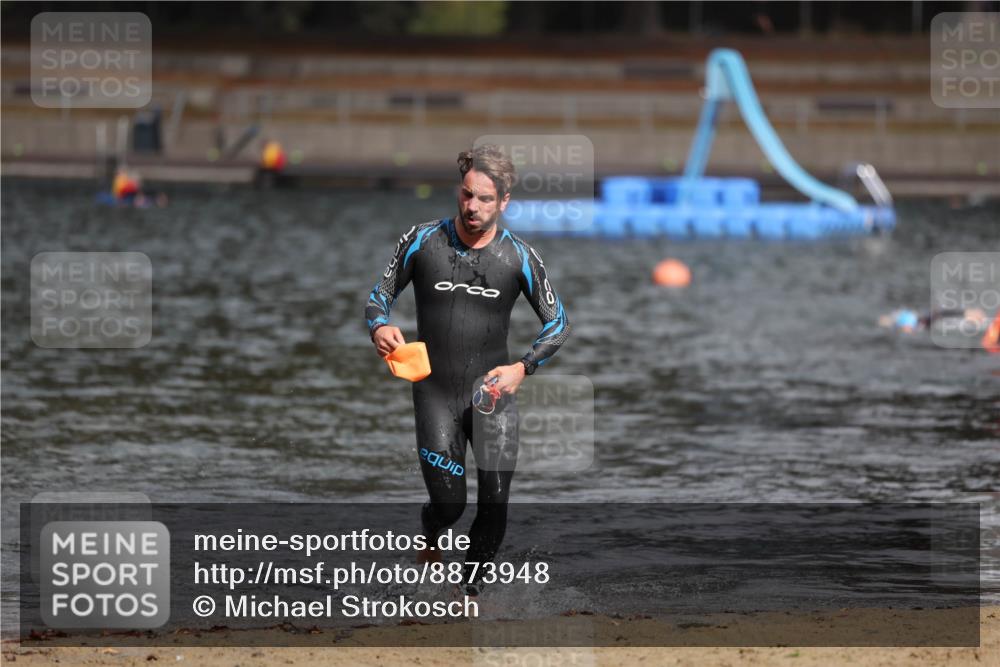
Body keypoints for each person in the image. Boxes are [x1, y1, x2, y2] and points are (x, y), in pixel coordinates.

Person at [364, 145, 570, 596]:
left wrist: (522, 367)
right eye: (466, 195)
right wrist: (379, 326)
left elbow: (558, 324)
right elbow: (378, 297)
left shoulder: (519, 257)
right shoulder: (422, 240)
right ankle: (431, 533)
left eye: (484, 200)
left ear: (504, 202)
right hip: (435, 393)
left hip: (493, 395)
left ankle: (467, 595)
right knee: (450, 504)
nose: (471, 207)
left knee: (495, 504)